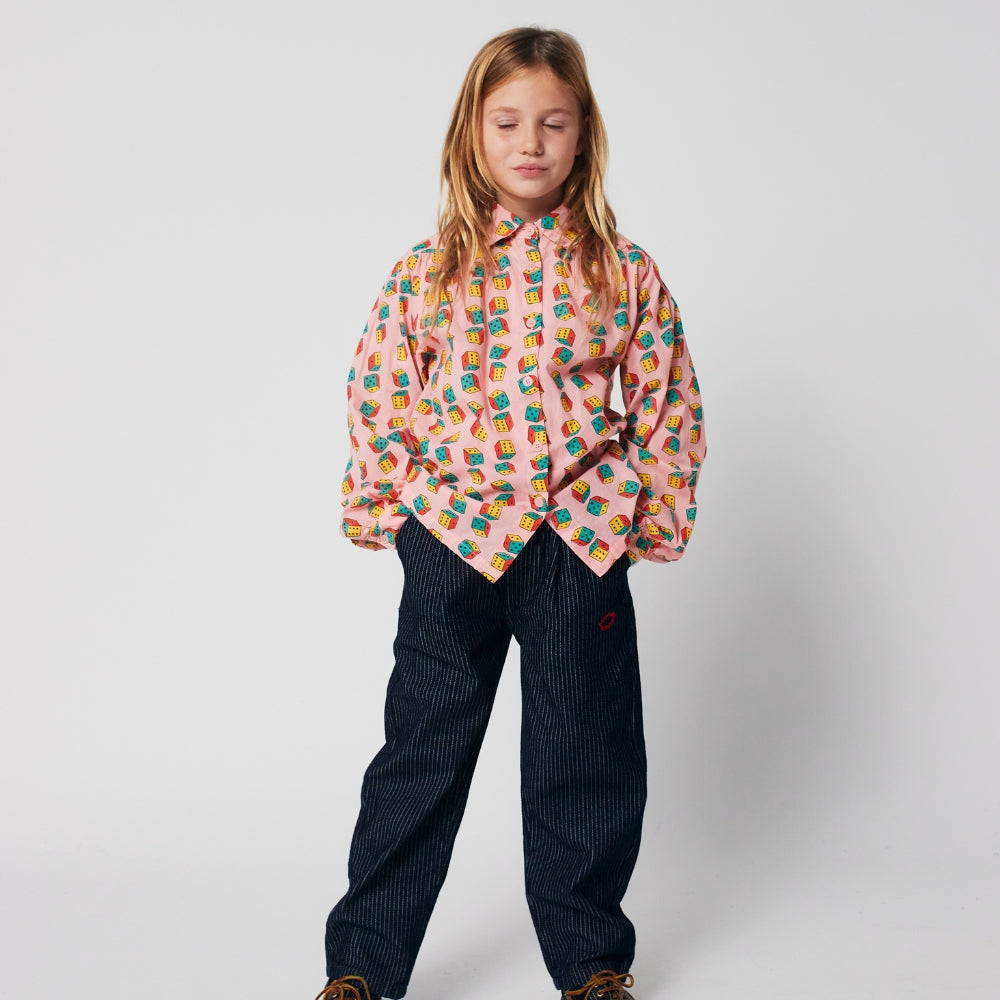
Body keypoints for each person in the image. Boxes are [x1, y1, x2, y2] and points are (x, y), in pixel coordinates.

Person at [318, 25, 706, 1000]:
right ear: (473, 133)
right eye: (508, 122)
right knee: (422, 749)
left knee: (585, 752)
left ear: (584, 136)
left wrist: (650, 516)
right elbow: (381, 391)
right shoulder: (428, 270)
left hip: (577, 541)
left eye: (553, 122)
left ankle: (592, 964)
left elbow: (665, 396)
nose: (530, 141)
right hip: (454, 538)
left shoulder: (622, 271)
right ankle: (363, 964)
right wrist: (386, 509)